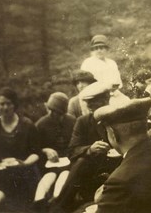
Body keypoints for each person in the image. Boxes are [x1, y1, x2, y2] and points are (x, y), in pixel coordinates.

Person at [52, 82, 122, 212]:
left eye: (93, 101)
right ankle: (61, 205)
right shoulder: (83, 122)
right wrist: (90, 149)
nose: (89, 106)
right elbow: (72, 151)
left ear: (106, 99)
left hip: (117, 165)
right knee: (81, 162)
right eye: (87, 102)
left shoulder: (119, 118)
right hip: (92, 171)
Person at [0, 87, 40, 211]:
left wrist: (24, 163)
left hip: (23, 172)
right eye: (2, 104)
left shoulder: (27, 125)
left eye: (9, 103)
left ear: (15, 104)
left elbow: (35, 153)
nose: (5, 107)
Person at [34, 92, 76, 204]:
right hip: (49, 163)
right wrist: (45, 150)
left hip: (68, 161)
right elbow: (33, 147)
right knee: (49, 177)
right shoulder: (41, 124)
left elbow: (78, 142)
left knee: (65, 175)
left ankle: (57, 200)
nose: (52, 114)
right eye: (50, 110)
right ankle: (39, 201)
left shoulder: (72, 122)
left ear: (63, 112)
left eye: (56, 112)